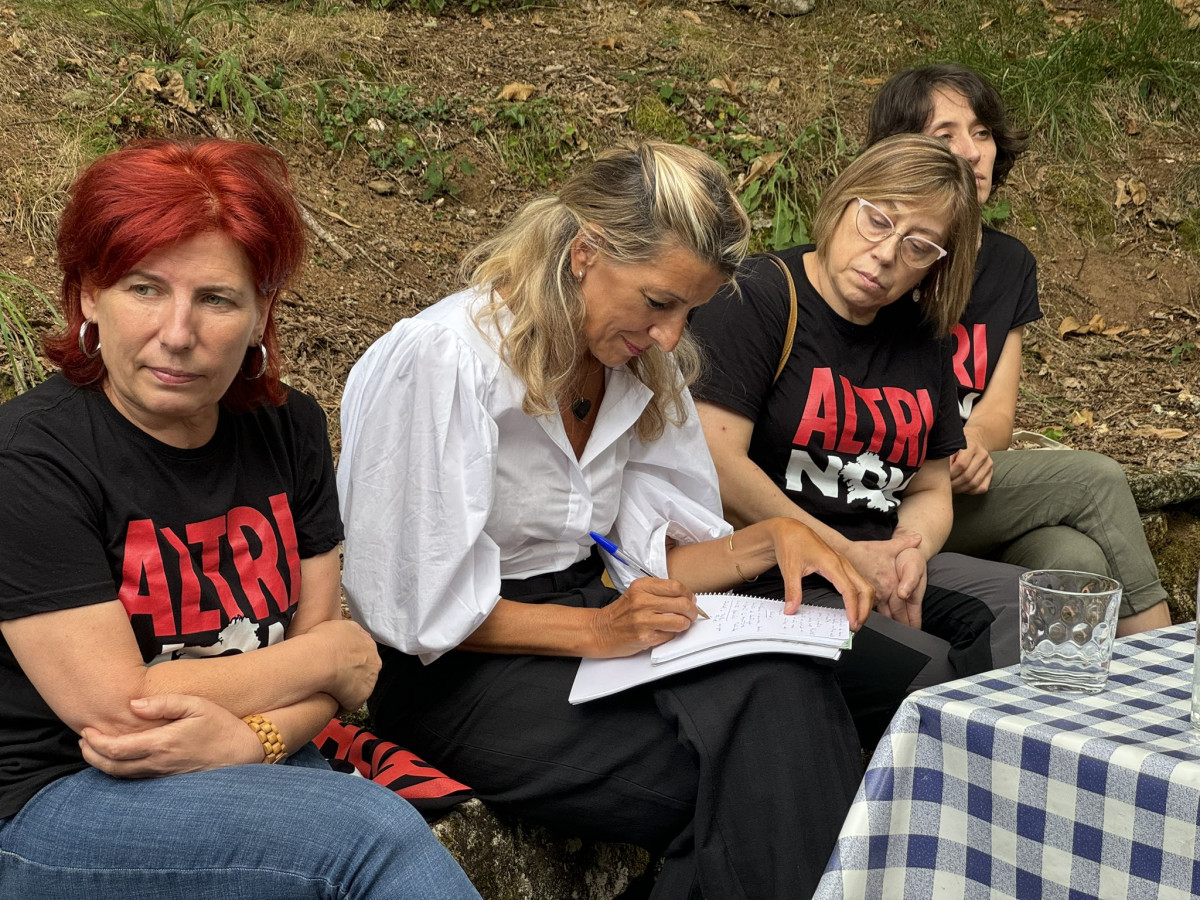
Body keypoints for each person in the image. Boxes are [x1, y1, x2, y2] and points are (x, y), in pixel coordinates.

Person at [338, 141, 875, 899]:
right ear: (585, 251)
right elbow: (414, 610)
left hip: (593, 617)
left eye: (689, 310)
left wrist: (766, 540)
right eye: (660, 302)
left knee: (791, 687)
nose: (670, 335)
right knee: (756, 781)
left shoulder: (634, 367)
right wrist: (596, 631)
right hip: (456, 673)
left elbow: (639, 564)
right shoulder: (446, 359)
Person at [0, 139, 479, 899]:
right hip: (58, 800)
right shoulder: (30, 460)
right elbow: (126, 713)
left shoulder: (289, 430)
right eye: (143, 288)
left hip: (259, 763)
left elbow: (326, 684)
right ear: (90, 295)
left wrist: (254, 738)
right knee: (370, 838)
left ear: (261, 312)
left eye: (217, 298)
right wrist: (329, 659)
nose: (178, 332)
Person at [690, 134, 1026, 746]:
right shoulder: (760, 297)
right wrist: (844, 551)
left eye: (918, 245)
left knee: (1033, 617)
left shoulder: (923, 337)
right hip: (770, 570)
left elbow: (929, 484)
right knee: (928, 672)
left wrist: (910, 554)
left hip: (876, 557)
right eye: (877, 221)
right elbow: (718, 465)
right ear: (845, 202)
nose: (885, 254)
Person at [866, 63, 1170, 636]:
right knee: (1096, 481)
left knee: (1075, 560)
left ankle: (1076, 717)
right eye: (945, 135)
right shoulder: (880, 259)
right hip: (887, 485)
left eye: (981, 133)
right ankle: (1174, 677)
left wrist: (973, 443)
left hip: (966, 484)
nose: (972, 152)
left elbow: (998, 408)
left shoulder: (1008, 265)